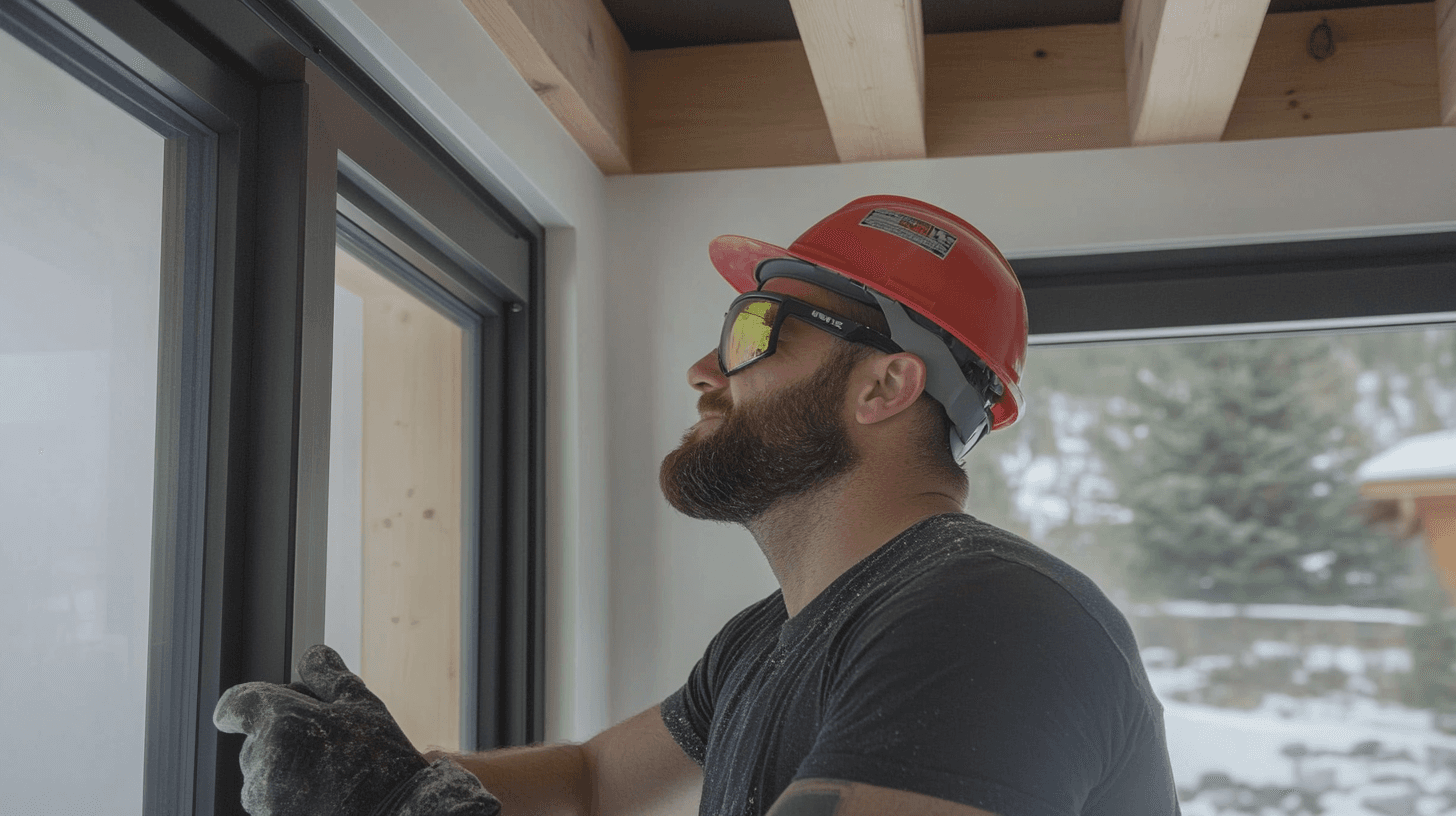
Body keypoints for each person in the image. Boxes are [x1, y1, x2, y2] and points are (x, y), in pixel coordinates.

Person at [215, 195, 1181, 816]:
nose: (703, 369)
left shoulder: (989, 623)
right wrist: (390, 779)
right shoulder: (767, 640)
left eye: (756, 330)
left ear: (886, 388)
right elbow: (593, 783)